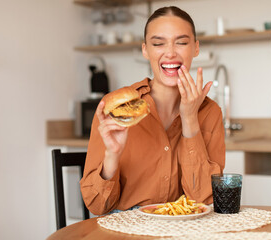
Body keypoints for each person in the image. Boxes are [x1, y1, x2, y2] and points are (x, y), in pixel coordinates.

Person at [80, 6, 225, 215]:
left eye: (182, 43)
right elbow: (97, 207)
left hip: (181, 228)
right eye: (158, 43)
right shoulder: (115, 108)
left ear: (195, 48)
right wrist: (112, 155)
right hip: (125, 228)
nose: (170, 53)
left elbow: (204, 200)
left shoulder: (210, 112)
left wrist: (190, 119)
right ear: (145, 50)